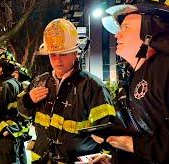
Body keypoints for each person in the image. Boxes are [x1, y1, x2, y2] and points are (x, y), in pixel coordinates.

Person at [92, 0, 169, 164]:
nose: (117, 34)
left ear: (151, 30)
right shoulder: (135, 77)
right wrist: (117, 158)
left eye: (125, 27)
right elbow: (148, 137)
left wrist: (134, 145)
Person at [17, 18, 116, 163]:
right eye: (52, 55)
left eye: (63, 54)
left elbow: (108, 133)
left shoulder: (93, 87)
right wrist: (28, 101)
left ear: (76, 52)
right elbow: (22, 113)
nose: (57, 60)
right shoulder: (40, 82)